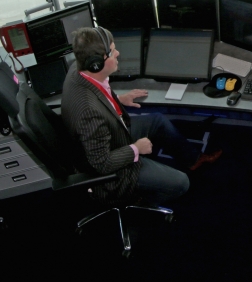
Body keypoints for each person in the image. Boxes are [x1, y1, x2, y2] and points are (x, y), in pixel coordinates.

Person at [59, 26, 220, 205]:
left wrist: (119, 100)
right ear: (96, 63)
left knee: (157, 121)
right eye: (112, 52)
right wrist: (136, 148)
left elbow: (98, 94)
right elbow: (101, 163)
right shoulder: (89, 112)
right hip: (109, 167)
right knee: (181, 183)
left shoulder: (79, 68)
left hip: (109, 134)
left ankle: (194, 160)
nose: (118, 53)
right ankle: (139, 200)